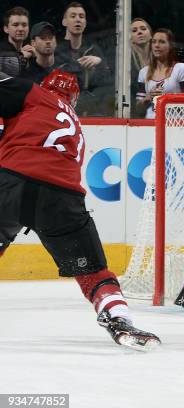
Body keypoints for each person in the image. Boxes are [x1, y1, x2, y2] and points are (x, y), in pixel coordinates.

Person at [0, 69, 160, 351]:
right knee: (95, 272)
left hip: (10, 181)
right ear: (73, 99)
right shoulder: (75, 123)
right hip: (61, 196)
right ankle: (119, 317)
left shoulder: (32, 92)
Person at [55, 2, 111, 116]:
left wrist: (100, 63)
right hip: (62, 109)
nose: (78, 20)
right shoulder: (57, 50)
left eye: (81, 17)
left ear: (85, 23)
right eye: (73, 16)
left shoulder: (94, 50)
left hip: (90, 110)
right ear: (64, 22)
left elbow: (107, 80)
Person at [136, 28, 184, 119]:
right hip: (150, 122)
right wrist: (147, 98)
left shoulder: (181, 69)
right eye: (154, 42)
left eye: (162, 42)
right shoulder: (143, 72)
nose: (157, 45)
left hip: (175, 123)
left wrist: (165, 98)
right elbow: (138, 108)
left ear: (170, 46)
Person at [0, 6, 34, 77]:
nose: (21, 29)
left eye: (24, 25)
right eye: (15, 25)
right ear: (6, 29)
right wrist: (22, 56)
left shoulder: (30, 51)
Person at [130, 18, 152, 116]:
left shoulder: (161, 60)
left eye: (143, 29)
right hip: (134, 113)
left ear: (151, 35)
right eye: (134, 31)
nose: (139, 32)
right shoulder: (127, 63)